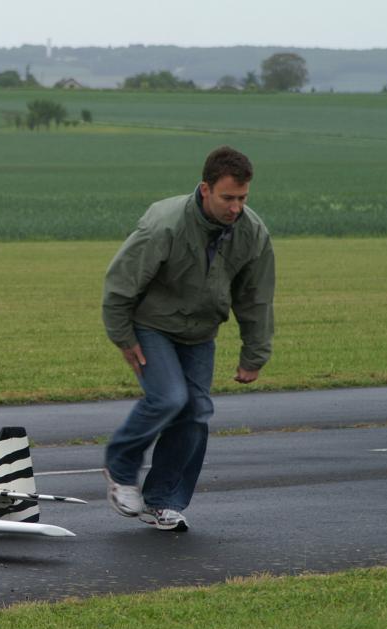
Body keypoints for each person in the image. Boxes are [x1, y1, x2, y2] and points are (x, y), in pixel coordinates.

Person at [100, 146, 275, 531]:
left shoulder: (252, 233)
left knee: (195, 413)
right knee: (169, 398)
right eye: (228, 198)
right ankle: (120, 466)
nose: (236, 208)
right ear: (205, 189)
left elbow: (256, 297)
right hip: (152, 325)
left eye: (243, 198)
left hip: (200, 331)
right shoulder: (165, 224)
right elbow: (120, 283)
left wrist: (254, 354)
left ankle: (161, 501)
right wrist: (123, 336)